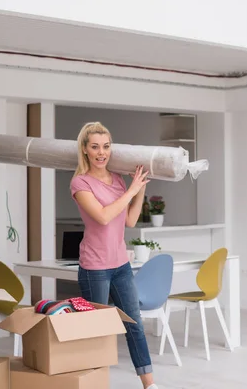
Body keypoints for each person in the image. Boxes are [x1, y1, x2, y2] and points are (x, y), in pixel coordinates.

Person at [70, 122, 158, 389]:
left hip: (121, 265)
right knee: (96, 331)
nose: (101, 152)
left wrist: (139, 187)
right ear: (85, 150)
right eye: (95, 147)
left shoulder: (118, 180)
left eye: (106, 147)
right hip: (94, 267)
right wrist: (131, 191)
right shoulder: (80, 183)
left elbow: (130, 220)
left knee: (134, 325)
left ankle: (149, 385)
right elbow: (103, 216)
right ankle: (91, 383)